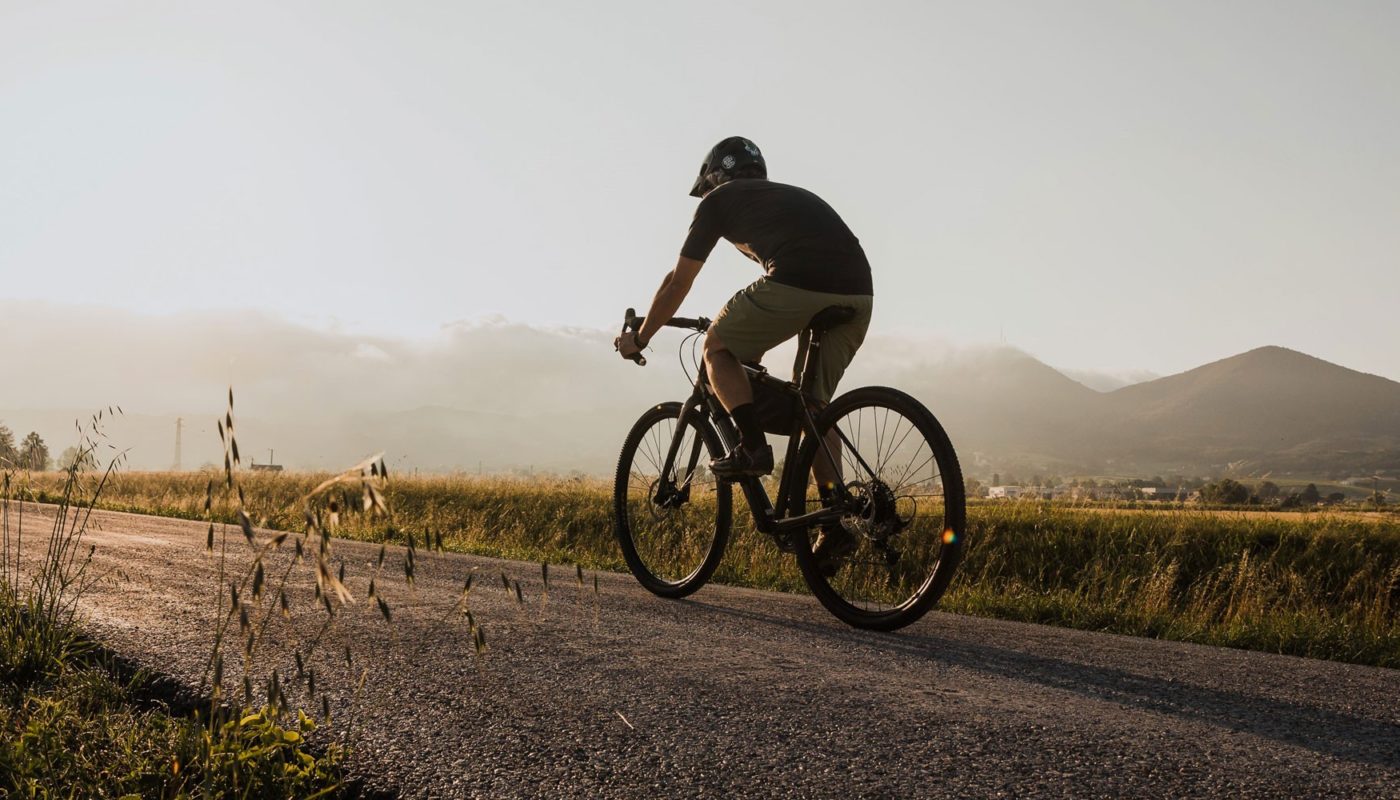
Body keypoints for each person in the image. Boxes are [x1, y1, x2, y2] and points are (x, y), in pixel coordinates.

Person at [614, 136, 874, 570]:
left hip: (799, 280)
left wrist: (639, 336)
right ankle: (833, 520)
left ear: (714, 179)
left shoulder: (719, 200)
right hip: (859, 292)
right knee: (814, 408)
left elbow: (678, 281)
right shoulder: (784, 198)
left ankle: (752, 448)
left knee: (715, 344)